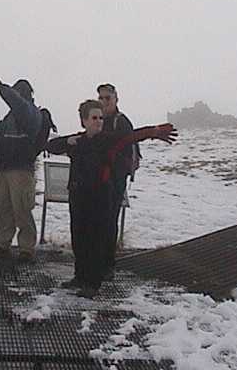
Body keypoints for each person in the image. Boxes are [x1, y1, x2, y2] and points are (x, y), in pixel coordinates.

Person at [46, 100, 177, 298]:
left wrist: (155, 131)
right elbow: (50, 146)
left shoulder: (108, 140)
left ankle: (93, 283)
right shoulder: (78, 141)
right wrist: (68, 141)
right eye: (94, 118)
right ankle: (80, 277)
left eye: (101, 118)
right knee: (79, 238)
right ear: (84, 121)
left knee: (96, 239)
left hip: (100, 197)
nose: (99, 121)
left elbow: (132, 136)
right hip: (78, 195)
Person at [0, 72, 42, 262]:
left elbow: (16, 101)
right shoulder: (15, 113)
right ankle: (2, 243)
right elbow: (2, 130)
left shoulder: (29, 111)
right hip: (6, 167)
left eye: (17, 92)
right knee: (5, 208)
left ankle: (26, 248)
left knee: (22, 209)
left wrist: (1, 86)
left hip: (21, 170)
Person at [97, 83, 141, 277]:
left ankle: (107, 265)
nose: (104, 101)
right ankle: (97, 260)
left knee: (109, 220)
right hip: (98, 179)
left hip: (115, 180)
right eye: (101, 98)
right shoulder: (97, 118)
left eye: (108, 98)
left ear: (116, 99)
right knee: (97, 220)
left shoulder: (122, 122)